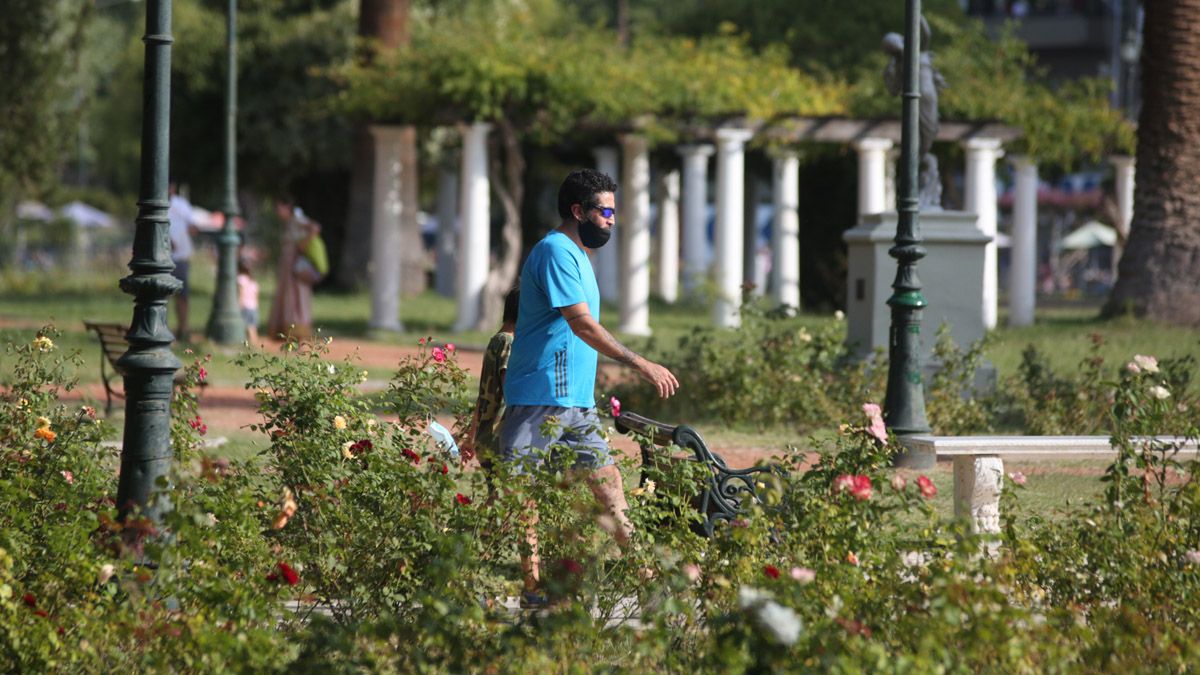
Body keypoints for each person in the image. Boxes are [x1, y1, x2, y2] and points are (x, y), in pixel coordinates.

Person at [500, 169, 679, 604]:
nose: (611, 220)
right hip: (538, 398)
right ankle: (532, 587)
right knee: (522, 496)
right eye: (605, 211)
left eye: (614, 212)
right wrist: (639, 363)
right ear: (578, 211)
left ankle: (646, 577)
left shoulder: (578, 255)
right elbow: (581, 324)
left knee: (607, 483)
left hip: (575, 403)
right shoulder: (556, 252)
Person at [460, 287, 520, 487]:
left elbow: (482, 397)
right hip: (499, 437)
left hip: (487, 436)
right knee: (504, 498)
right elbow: (509, 389)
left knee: (498, 496)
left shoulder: (497, 339)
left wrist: (471, 436)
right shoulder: (508, 342)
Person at [266, 198, 315, 340]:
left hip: (295, 266)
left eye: (279, 208)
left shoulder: (297, 221)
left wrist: (302, 247)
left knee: (296, 299)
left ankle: (298, 336)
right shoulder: (289, 223)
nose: (278, 212)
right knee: (288, 299)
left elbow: (314, 228)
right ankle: (287, 336)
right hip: (287, 267)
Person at [168, 183, 197, 341]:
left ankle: (183, 329)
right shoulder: (155, 204)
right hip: (164, 258)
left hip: (181, 257)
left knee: (183, 295)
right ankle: (161, 328)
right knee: (161, 296)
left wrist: (193, 228)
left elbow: (191, 224)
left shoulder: (181, 204)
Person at [237, 255, 260, 346]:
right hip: (254, 307)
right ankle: (255, 344)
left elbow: (241, 293)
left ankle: (252, 345)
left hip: (245, 305)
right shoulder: (253, 281)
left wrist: (239, 304)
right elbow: (256, 295)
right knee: (253, 327)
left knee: (248, 327)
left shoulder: (241, 279)